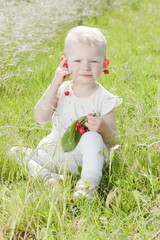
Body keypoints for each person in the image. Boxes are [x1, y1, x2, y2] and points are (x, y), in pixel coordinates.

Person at [10, 26, 122, 199]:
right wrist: (55, 84)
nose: (85, 67)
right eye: (77, 61)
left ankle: (87, 185)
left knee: (91, 137)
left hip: (87, 160)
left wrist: (102, 127)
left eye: (93, 61)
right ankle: (50, 178)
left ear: (104, 64)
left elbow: (113, 141)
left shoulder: (105, 99)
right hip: (57, 154)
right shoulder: (61, 90)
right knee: (15, 151)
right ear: (65, 63)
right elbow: (41, 118)